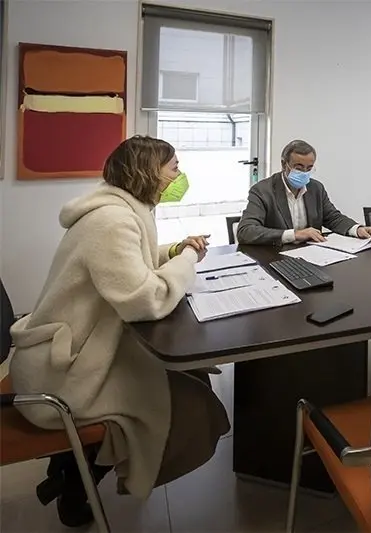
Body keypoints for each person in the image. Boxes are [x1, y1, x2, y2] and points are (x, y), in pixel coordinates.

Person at [9, 136, 230, 526]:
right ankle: (77, 482)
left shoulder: (120, 209)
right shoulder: (111, 220)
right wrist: (190, 260)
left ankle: (72, 472)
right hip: (63, 371)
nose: (179, 177)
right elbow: (146, 299)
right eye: (174, 168)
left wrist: (175, 251)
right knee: (181, 397)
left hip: (76, 347)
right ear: (148, 172)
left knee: (184, 377)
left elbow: (133, 262)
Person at [237, 139, 371, 245]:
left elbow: (332, 217)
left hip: (312, 256)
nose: (304, 173)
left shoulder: (316, 188)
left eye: (309, 168)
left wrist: (356, 229)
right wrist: (294, 234)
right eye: (298, 167)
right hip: (275, 256)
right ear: (284, 164)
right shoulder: (262, 191)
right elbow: (246, 231)